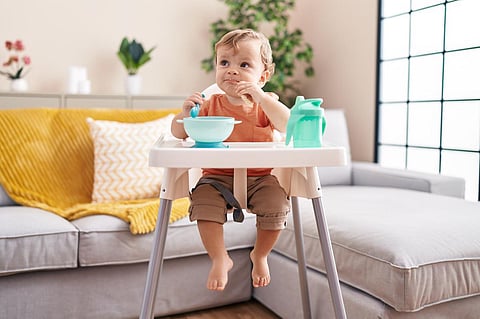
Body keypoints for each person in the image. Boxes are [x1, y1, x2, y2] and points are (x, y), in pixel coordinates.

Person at [171, 29, 291, 291]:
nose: (232, 71)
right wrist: (184, 113)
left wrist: (260, 96)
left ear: (264, 75)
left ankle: (260, 254)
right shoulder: (208, 104)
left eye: (244, 64)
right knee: (202, 203)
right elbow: (178, 133)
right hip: (216, 178)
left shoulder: (266, 104)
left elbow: (287, 124)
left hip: (260, 178)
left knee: (277, 204)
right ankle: (219, 258)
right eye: (224, 63)